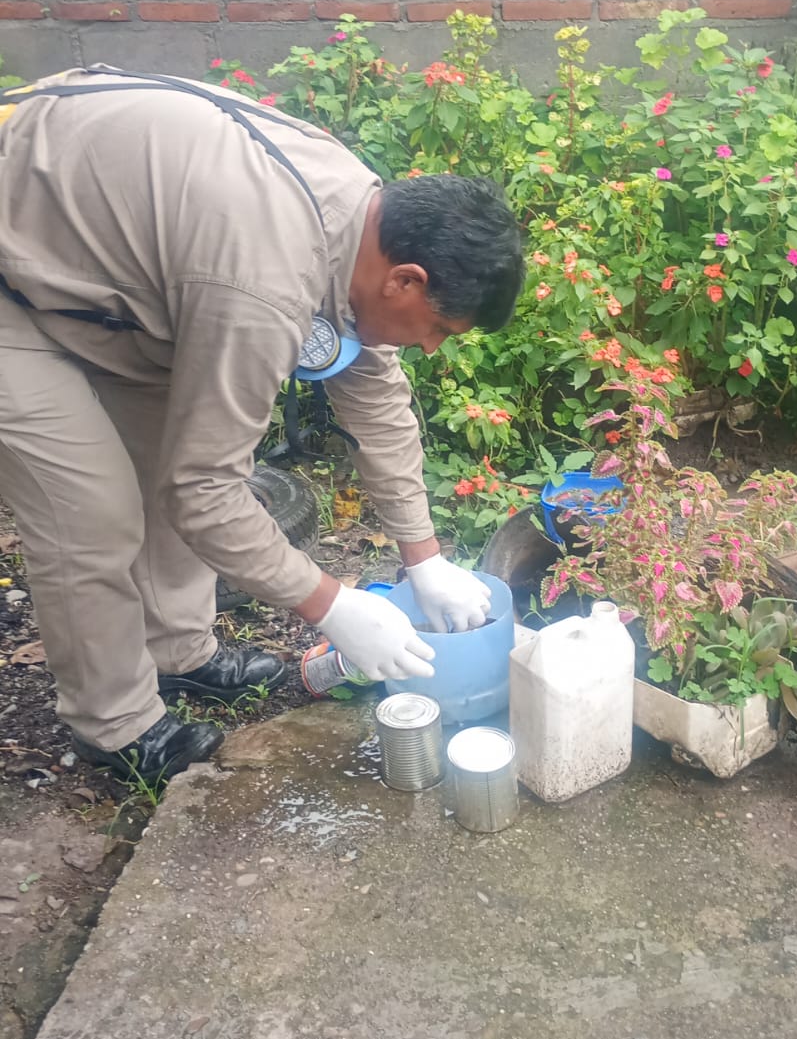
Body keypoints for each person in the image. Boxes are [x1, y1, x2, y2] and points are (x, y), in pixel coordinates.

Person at [0, 67, 523, 782]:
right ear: (405, 280)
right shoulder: (261, 282)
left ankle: (177, 651)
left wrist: (423, 556)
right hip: (14, 270)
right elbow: (204, 490)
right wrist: (331, 606)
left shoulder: (362, 217)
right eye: (439, 329)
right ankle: (113, 723)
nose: (431, 348)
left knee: (167, 452)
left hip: (103, 260)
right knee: (90, 510)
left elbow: (373, 394)